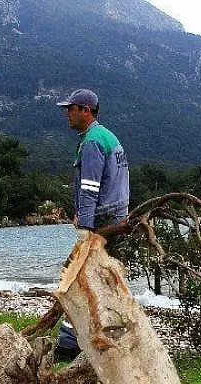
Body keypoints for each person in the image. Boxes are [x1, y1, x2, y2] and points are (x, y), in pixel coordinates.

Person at [54, 88, 130, 360]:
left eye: (71, 108)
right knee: (106, 279)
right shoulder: (107, 136)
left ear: (85, 111)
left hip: (102, 221)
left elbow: (89, 188)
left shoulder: (92, 142)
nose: (67, 113)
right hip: (117, 217)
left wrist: (85, 226)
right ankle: (116, 334)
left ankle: (68, 343)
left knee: (78, 279)